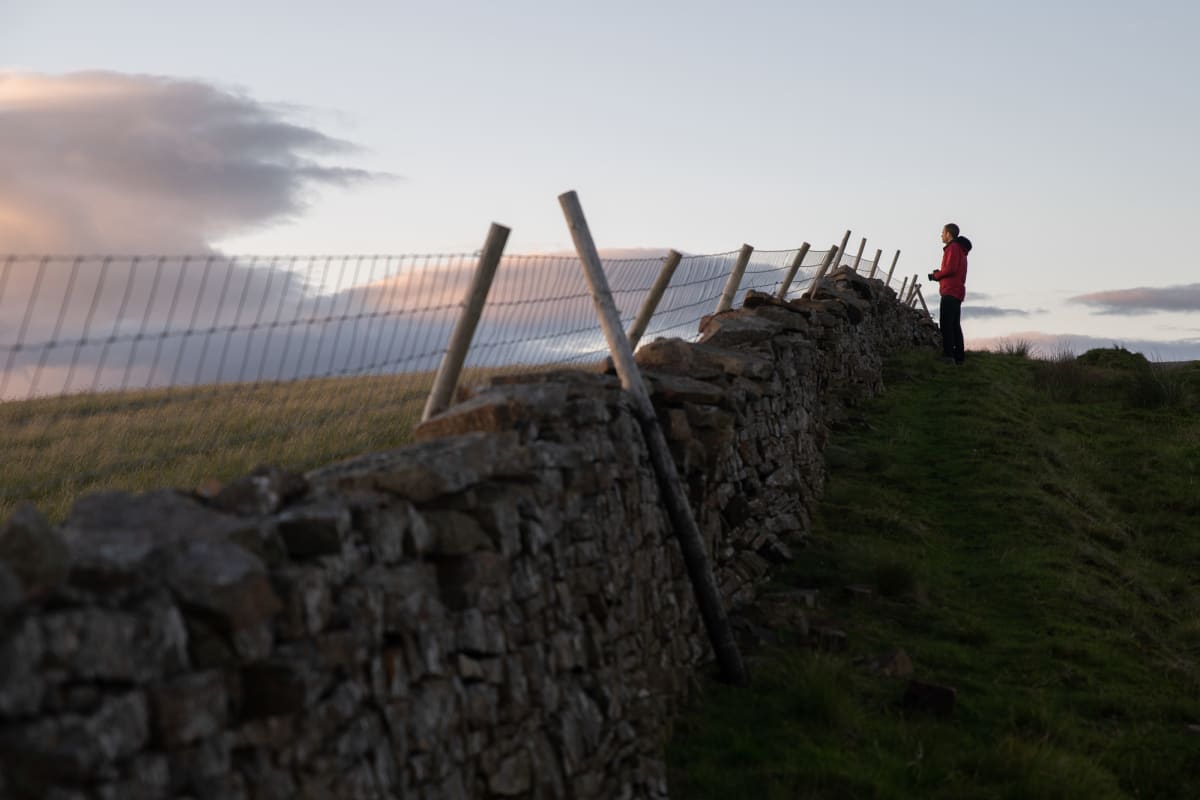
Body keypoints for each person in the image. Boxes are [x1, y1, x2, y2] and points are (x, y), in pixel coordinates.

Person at [927, 223, 972, 365]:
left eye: (943, 232)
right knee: (954, 325)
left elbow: (951, 269)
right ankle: (959, 356)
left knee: (946, 324)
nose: (941, 235)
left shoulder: (952, 248)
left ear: (949, 234)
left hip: (950, 291)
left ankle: (948, 356)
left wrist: (936, 275)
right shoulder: (961, 251)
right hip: (957, 291)